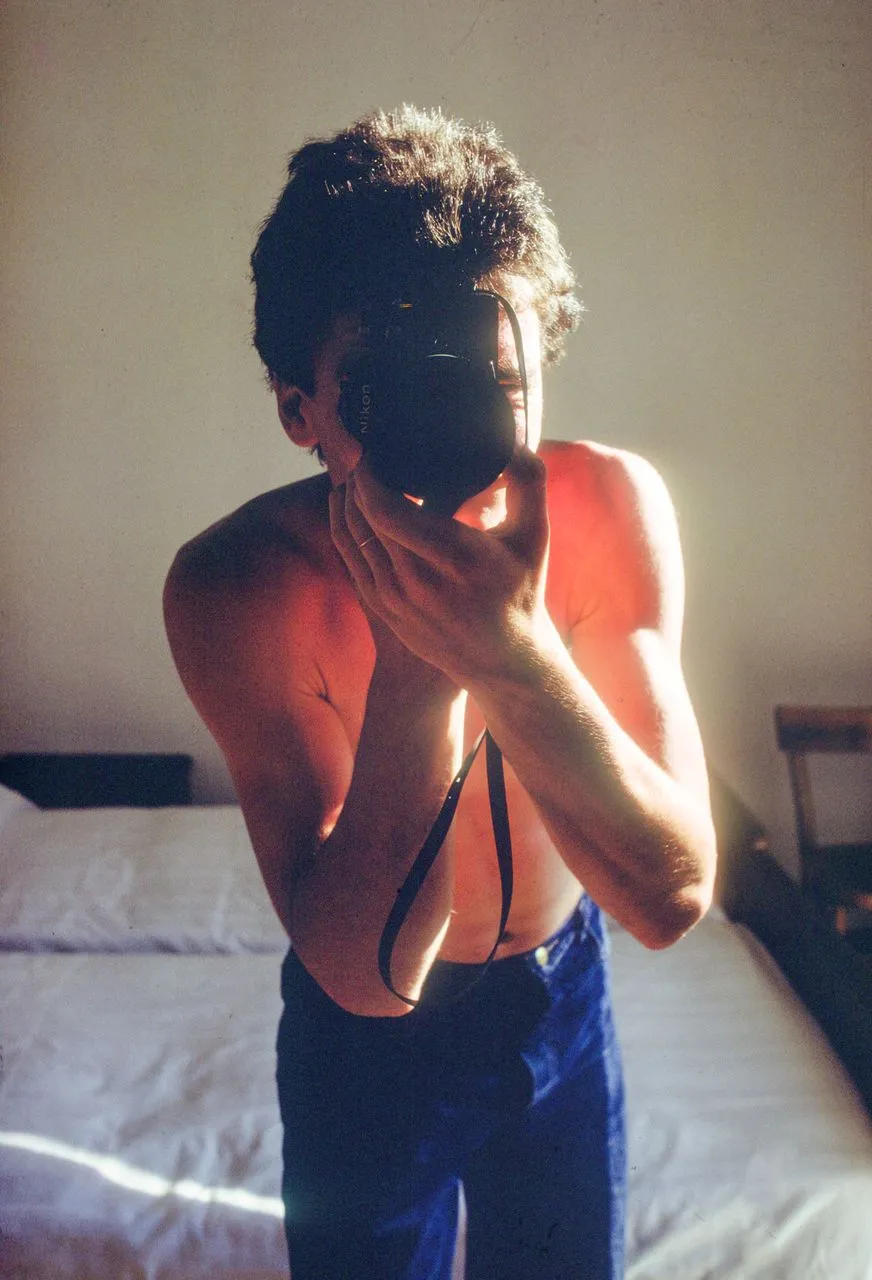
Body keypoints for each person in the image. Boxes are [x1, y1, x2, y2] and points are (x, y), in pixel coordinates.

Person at [163, 106, 717, 1280]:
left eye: (492, 379)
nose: (452, 419)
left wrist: (516, 656)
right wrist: (419, 672)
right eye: (391, 388)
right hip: (363, 1045)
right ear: (301, 410)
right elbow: (362, 979)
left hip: (560, 994)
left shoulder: (613, 506)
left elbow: (669, 896)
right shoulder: (235, 586)